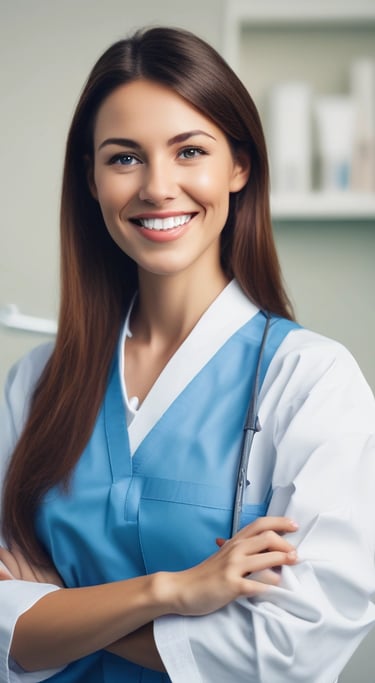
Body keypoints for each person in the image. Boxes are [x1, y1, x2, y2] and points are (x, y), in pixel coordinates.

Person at [0, 25, 374, 683]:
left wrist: (57, 614)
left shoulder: (310, 382)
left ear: (238, 166)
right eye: (124, 158)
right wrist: (173, 590)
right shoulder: (34, 384)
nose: (157, 187)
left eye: (188, 151)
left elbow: (288, 650)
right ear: (90, 180)